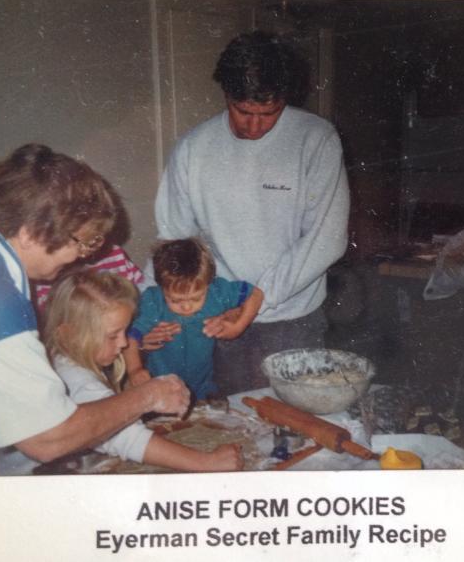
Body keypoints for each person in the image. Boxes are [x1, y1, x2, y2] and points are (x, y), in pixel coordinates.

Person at [0, 144, 191, 476]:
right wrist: (147, 396)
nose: (82, 256)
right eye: (80, 243)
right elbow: (48, 439)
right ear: (29, 233)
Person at [150, 30, 350, 394]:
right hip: (217, 315)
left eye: (269, 113)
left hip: (293, 316)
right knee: (232, 427)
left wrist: (260, 297)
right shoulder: (194, 148)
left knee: (294, 426)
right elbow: (173, 238)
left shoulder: (316, 139)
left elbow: (327, 238)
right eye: (243, 112)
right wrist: (151, 312)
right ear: (226, 94)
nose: (255, 126)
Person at [8, 271, 240, 473]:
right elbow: (126, 438)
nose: (123, 343)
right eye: (112, 336)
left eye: (125, 331)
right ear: (68, 333)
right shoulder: (73, 378)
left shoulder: (67, 359)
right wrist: (206, 462)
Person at [126, 238, 263, 399]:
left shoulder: (216, 293)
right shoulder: (153, 301)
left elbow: (255, 294)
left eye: (196, 298)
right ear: (161, 287)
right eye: (176, 300)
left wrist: (238, 327)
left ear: (208, 283)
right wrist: (134, 370)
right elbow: (131, 335)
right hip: (162, 387)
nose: (186, 307)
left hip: (204, 386)